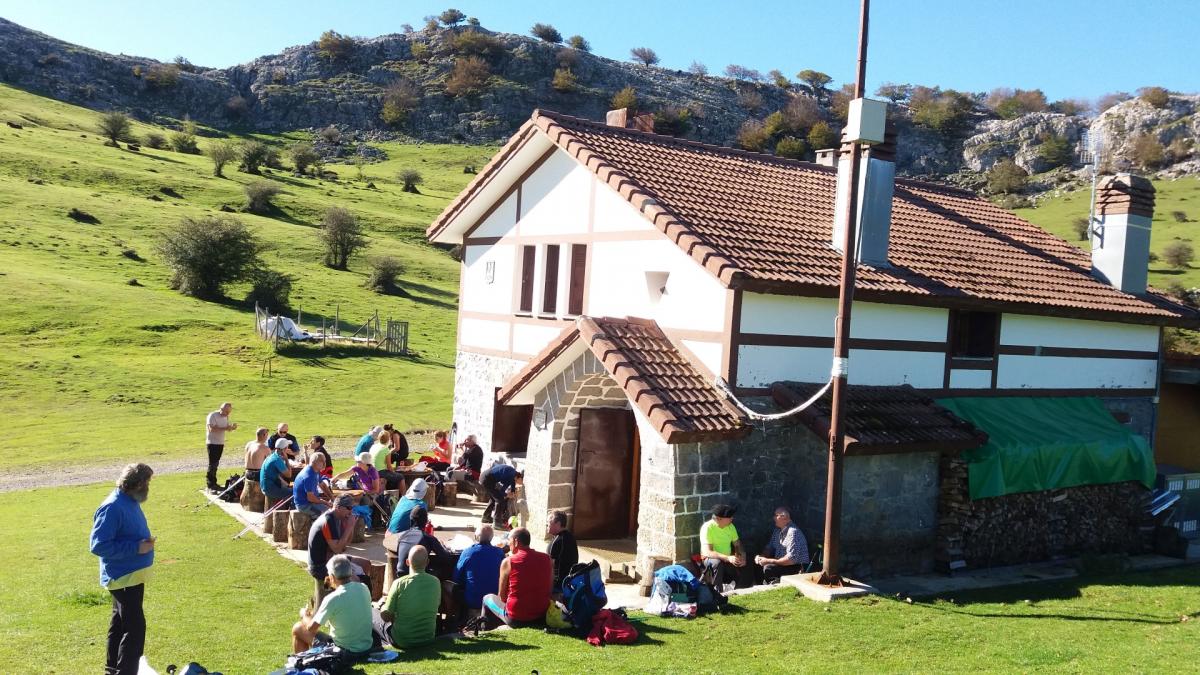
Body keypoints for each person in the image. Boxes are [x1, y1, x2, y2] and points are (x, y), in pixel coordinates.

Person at [90, 463, 156, 675]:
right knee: (135, 628)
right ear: (136, 484)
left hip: (132, 576)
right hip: (123, 577)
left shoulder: (129, 499)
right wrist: (137, 547)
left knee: (119, 623)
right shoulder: (112, 507)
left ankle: (112, 669)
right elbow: (99, 545)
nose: (148, 487)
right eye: (146, 483)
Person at [292, 555, 375, 657]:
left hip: (344, 651)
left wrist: (304, 615)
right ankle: (304, 664)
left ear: (331, 577)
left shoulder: (332, 598)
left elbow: (311, 628)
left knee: (298, 628)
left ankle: (301, 666)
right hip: (366, 648)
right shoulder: (363, 588)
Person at [480, 527, 553, 629]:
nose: (508, 544)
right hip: (541, 615)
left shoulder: (508, 561)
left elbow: (501, 596)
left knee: (487, 598)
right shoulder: (547, 559)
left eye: (509, 540)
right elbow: (549, 588)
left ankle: (486, 633)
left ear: (515, 541)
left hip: (516, 617)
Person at [374, 545, 441, 649]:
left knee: (372, 612)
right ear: (427, 562)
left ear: (407, 562)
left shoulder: (399, 583)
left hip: (402, 641)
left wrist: (382, 605)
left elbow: (386, 616)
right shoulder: (435, 582)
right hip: (428, 638)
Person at [309, 496, 372, 604]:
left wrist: (350, 526)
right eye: (349, 508)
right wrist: (349, 526)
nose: (351, 511)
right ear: (338, 507)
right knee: (357, 581)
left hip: (333, 558)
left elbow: (346, 544)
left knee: (366, 564)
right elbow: (338, 548)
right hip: (321, 565)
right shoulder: (328, 520)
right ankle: (357, 602)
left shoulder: (339, 518)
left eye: (352, 508)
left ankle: (360, 601)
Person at [454, 524, 504, 612]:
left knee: (449, 586)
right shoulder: (499, 552)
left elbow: (456, 577)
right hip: (494, 600)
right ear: (491, 538)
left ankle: (454, 617)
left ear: (476, 537)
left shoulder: (468, 552)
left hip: (474, 601)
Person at [700, 503, 751, 589]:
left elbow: (737, 544)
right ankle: (716, 592)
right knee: (717, 563)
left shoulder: (730, 526)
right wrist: (727, 558)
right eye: (729, 517)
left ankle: (742, 589)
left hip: (727, 558)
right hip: (710, 559)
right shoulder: (707, 527)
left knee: (748, 558)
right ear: (719, 519)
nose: (732, 518)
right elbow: (707, 552)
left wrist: (742, 554)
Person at [755, 507, 810, 583]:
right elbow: (769, 548)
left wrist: (768, 561)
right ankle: (761, 587)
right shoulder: (777, 530)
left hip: (796, 567)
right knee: (757, 564)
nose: (774, 517)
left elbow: (791, 560)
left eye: (775, 515)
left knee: (768, 568)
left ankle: (774, 586)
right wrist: (761, 557)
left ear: (784, 517)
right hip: (782, 563)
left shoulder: (793, 533)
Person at [393, 506, 452, 578]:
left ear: (411, 520)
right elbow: (446, 557)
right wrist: (443, 545)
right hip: (416, 576)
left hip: (401, 574)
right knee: (446, 566)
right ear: (425, 522)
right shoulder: (428, 538)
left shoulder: (402, 536)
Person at [205, 402, 237, 491]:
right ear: (221, 409)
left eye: (229, 412)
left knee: (216, 463)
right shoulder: (212, 415)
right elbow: (211, 429)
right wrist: (226, 428)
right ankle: (211, 485)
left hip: (220, 443)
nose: (227, 414)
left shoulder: (226, 416)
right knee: (213, 464)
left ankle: (213, 483)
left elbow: (226, 427)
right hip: (212, 443)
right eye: (226, 411)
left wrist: (231, 427)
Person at [545, 511, 578, 592]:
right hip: (570, 582)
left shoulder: (556, 541)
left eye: (549, 522)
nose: (547, 525)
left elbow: (549, 566)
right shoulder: (571, 537)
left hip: (558, 585)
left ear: (558, 523)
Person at [294, 454, 332, 518]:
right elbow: (310, 498)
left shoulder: (315, 470)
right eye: (322, 461)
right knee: (329, 514)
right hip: (304, 505)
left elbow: (323, 485)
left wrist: (332, 498)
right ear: (315, 462)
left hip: (311, 501)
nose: (325, 464)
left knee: (331, 509)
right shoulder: (309, 476)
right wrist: (324, 502)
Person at [260, 440, 293, 508]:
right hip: (270, 489)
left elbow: (277, 476)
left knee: (291, 486)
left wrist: (287, 485)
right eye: (287, 447)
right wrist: (286, 459)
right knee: (295, 492)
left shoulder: (272, 456)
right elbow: (289, 475)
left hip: (266, 487)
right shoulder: (277, 460)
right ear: (284, 449)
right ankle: (291, 510)